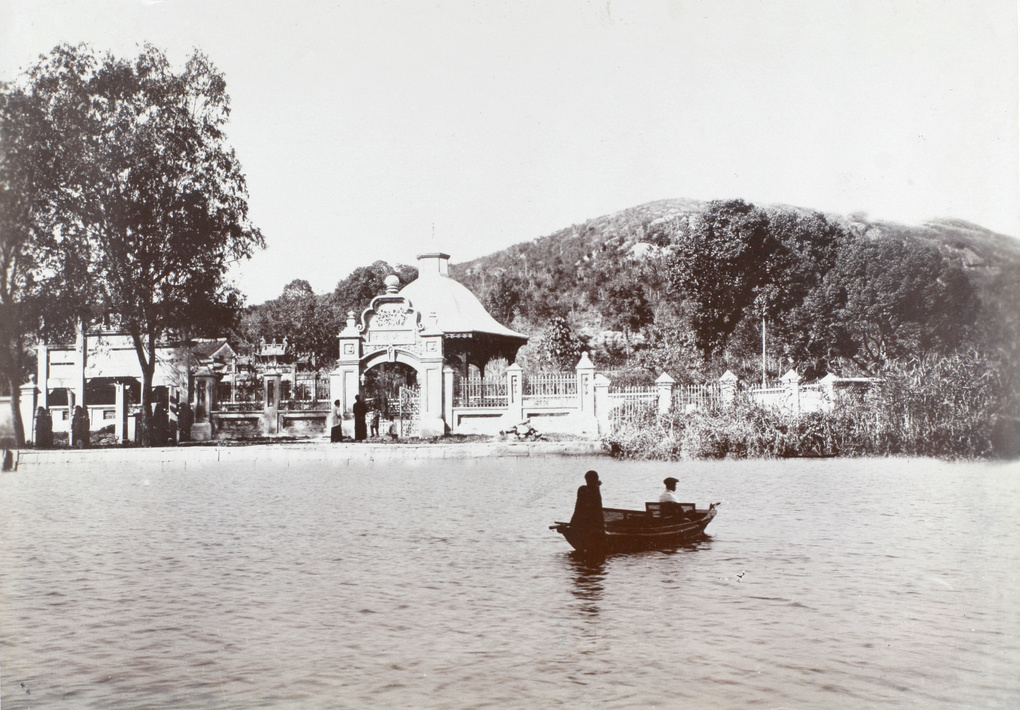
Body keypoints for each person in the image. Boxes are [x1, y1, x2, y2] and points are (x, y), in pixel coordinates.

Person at [570, 470, 606, 551]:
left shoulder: (585, 489)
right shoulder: (584, 490)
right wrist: (597, 487)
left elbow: (596, 507)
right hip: (585, 523)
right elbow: (594, 507)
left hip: (581, 523)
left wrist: (597, 487)